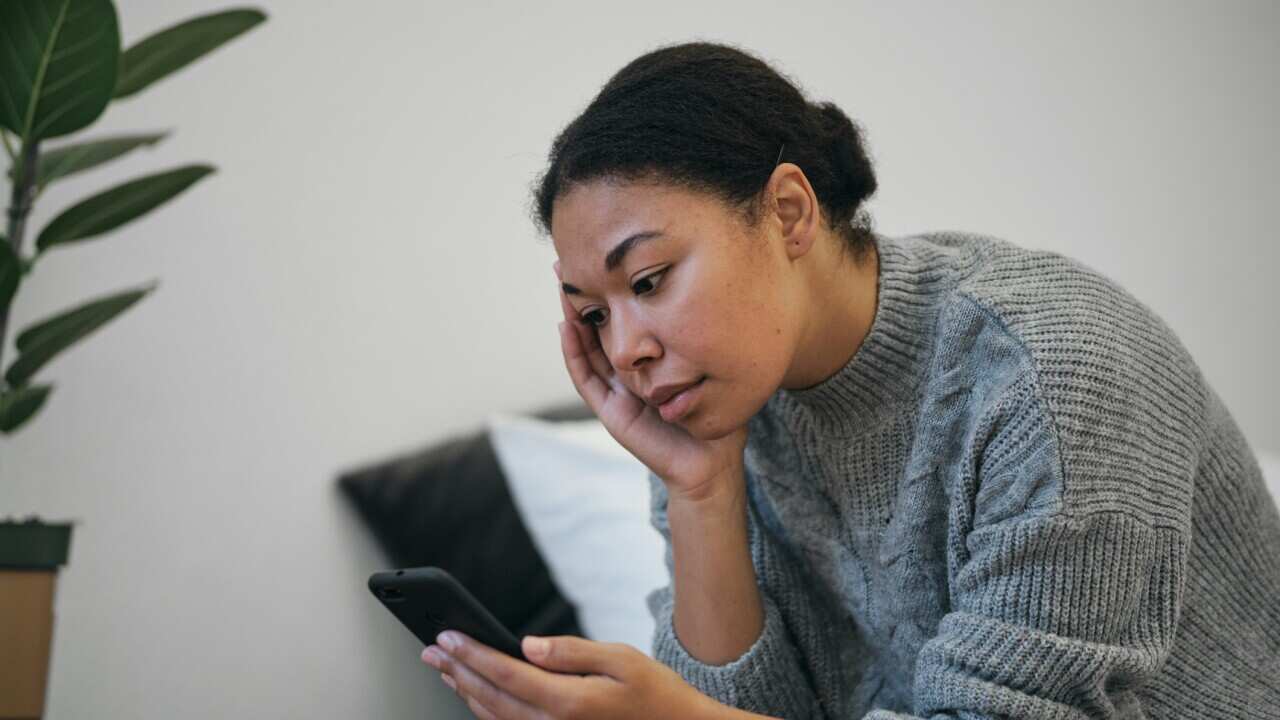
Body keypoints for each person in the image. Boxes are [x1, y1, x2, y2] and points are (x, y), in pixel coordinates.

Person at [420, 40, 1280, 719]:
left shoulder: (1052, 372)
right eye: (595, 313)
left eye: (647, 281)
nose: (629, 349)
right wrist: (700, 493)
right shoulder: (724, 407)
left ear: (788, 211)